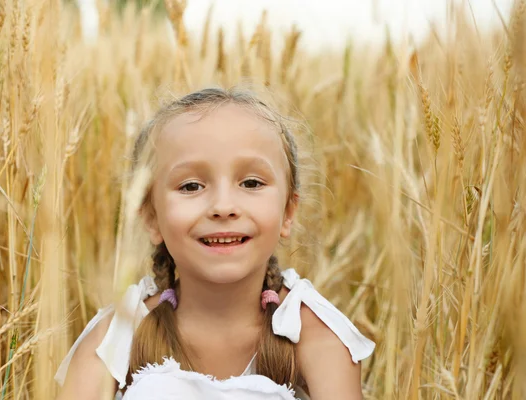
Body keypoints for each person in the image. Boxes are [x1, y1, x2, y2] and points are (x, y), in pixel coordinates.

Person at [54, 87, 375, 400]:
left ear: (288, 212)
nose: (223, 206)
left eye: (251, 183)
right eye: (191, 186)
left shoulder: (314, 337)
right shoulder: (117, 336)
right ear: (152, 218)